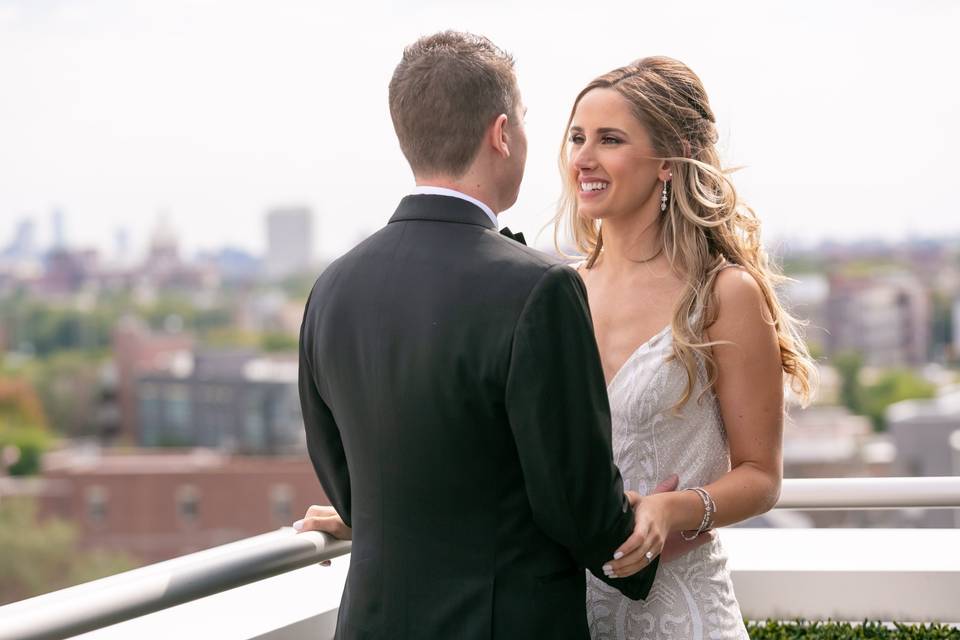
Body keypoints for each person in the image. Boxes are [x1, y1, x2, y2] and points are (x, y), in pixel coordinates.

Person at [296, 32, 663, 639]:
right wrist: (644, 537)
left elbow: (348, 486)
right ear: (500, 134)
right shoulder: (540, 288)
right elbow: (576, 500)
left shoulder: (331, 288)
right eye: (523, 120)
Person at [555, 57, 817, 639]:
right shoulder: (560, 293)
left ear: (668, 163)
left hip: (683, 616)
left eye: (610, 139)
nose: (584, 158)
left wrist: (671, 510)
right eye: (577, 138)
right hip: (567, 613)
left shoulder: (723, 293)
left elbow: (760, 476)